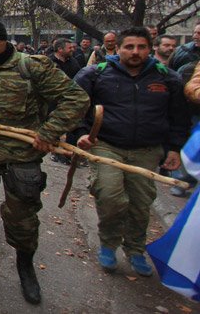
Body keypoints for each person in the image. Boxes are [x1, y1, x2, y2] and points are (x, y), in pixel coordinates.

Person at [0, 17, 89, 304]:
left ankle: (25, 266)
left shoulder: (31, 67)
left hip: (20, 157)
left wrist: (49, 131)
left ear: (3, 40)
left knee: (22, 218)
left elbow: (76, 99)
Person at [75, 26, 188, 276]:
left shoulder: (167, 78)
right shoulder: (96, 74)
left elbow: (179, 117)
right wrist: (80, 134)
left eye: (141, 47)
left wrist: (174, 149)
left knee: (140, 203)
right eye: (129, 47)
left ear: (151, 48)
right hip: (106, 146)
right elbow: (74, 106)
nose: (135, 52)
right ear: (119, 48)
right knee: (111, 197)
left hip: (147, 151)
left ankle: (135, 248)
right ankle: (108, 243)